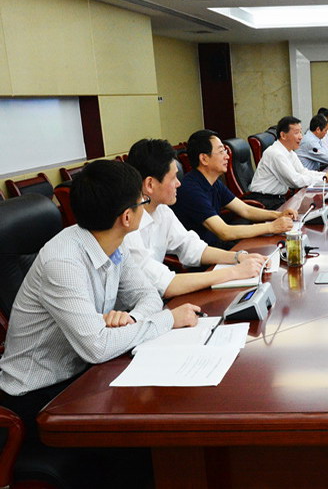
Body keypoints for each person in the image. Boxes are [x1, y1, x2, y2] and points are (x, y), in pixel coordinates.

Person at [0, 160, 200, 484]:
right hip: (37, 395)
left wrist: (131, 318)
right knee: (139, 441)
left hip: (82, 373)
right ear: (127, 217)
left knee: (156, 411)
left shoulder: (112, 244)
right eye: (142, 202)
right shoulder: (63, 260)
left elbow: (148, 296)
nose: (145, 207)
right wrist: (167, 320)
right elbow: (97, 346)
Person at [125, 139, 269, 298]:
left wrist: (239, 257)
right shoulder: (127, 225)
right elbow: (164, 283)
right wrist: (234, 272)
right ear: (150, 184)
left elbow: (192, 248)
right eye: (173, 178)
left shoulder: (162, 210)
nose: (178, 183)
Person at [171, 130, 295, 249]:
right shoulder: (190, 189)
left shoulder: (214, 182)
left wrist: (278, 215)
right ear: (204, 159)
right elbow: (224, 232)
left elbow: (245, 210)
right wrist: (271, 227)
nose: (227, 156)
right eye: (221, 152)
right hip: (204, 252)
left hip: (216, 244)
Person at [249, 115, 328, 209]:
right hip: (264, 202)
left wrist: (324, 175)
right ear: (283, 135)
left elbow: (303, 172)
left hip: (277, 199)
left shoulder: (290, 152)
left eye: (301, 132)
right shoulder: (275, 153)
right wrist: (324, 178)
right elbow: (295, 181)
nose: (301, 137)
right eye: (296, 133)